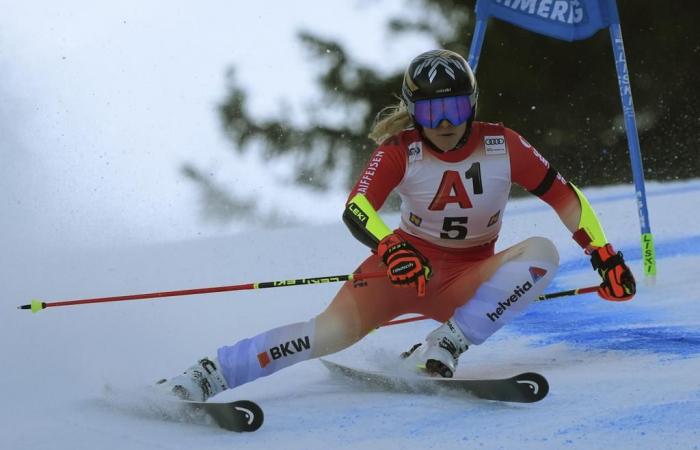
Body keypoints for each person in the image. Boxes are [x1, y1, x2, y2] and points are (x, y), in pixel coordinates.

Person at [159, 49, 636, 400]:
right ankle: (205, 375)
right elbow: (357, 207)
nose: (445, 122)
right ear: (414, 111)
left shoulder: (502, 145)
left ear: (472, 104)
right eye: (431, 110)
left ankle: (445, 344)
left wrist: (602, 253)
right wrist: (392, 249)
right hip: (399, 272)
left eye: (455, 107)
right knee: (324, 333)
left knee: (541, 254)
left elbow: (563, 196)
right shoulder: (400, 150)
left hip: (466, 282)